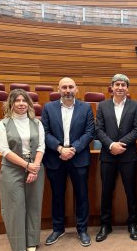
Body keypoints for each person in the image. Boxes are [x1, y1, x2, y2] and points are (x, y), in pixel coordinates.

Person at [41, 77, 95, 247]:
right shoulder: (48, 108)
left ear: (76, 89)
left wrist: (73, 149)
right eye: (64, 87)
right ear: (58, 90)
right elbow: (45, 132)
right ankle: (58, 228)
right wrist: (59, 149)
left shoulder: (86, 107)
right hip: (55, 158)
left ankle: (82, 229)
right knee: (57, 195)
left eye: (71, 87)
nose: (67, 90)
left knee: (81, 195)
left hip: (78, 158)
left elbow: (89, 132)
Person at [95, 74, 137, 242]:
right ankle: (105, 225)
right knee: (106, 192)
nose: (120, 87)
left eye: (123, 84)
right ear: (112, 87)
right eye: (117, 84)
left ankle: (132, 224)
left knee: (131, 191)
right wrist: (110, 145)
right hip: (108, 156)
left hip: (128, 156)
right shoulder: (102, 106)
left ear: (127, 88)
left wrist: (120, 144)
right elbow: (98, 129)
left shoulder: (135, 106)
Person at [0, 89, 45, 251]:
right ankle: (18, 245)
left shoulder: (37, 123)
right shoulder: (3, 124)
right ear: (11, 103)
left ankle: (31, 241)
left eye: (24, 101)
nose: (21, 104)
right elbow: (4, 150)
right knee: (14, 208)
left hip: (35, 168)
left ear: (29, 104)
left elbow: (41, 146)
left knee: (33, 205)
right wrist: (27, 166)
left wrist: (34, 168)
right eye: (17, 101)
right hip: (12, 170)